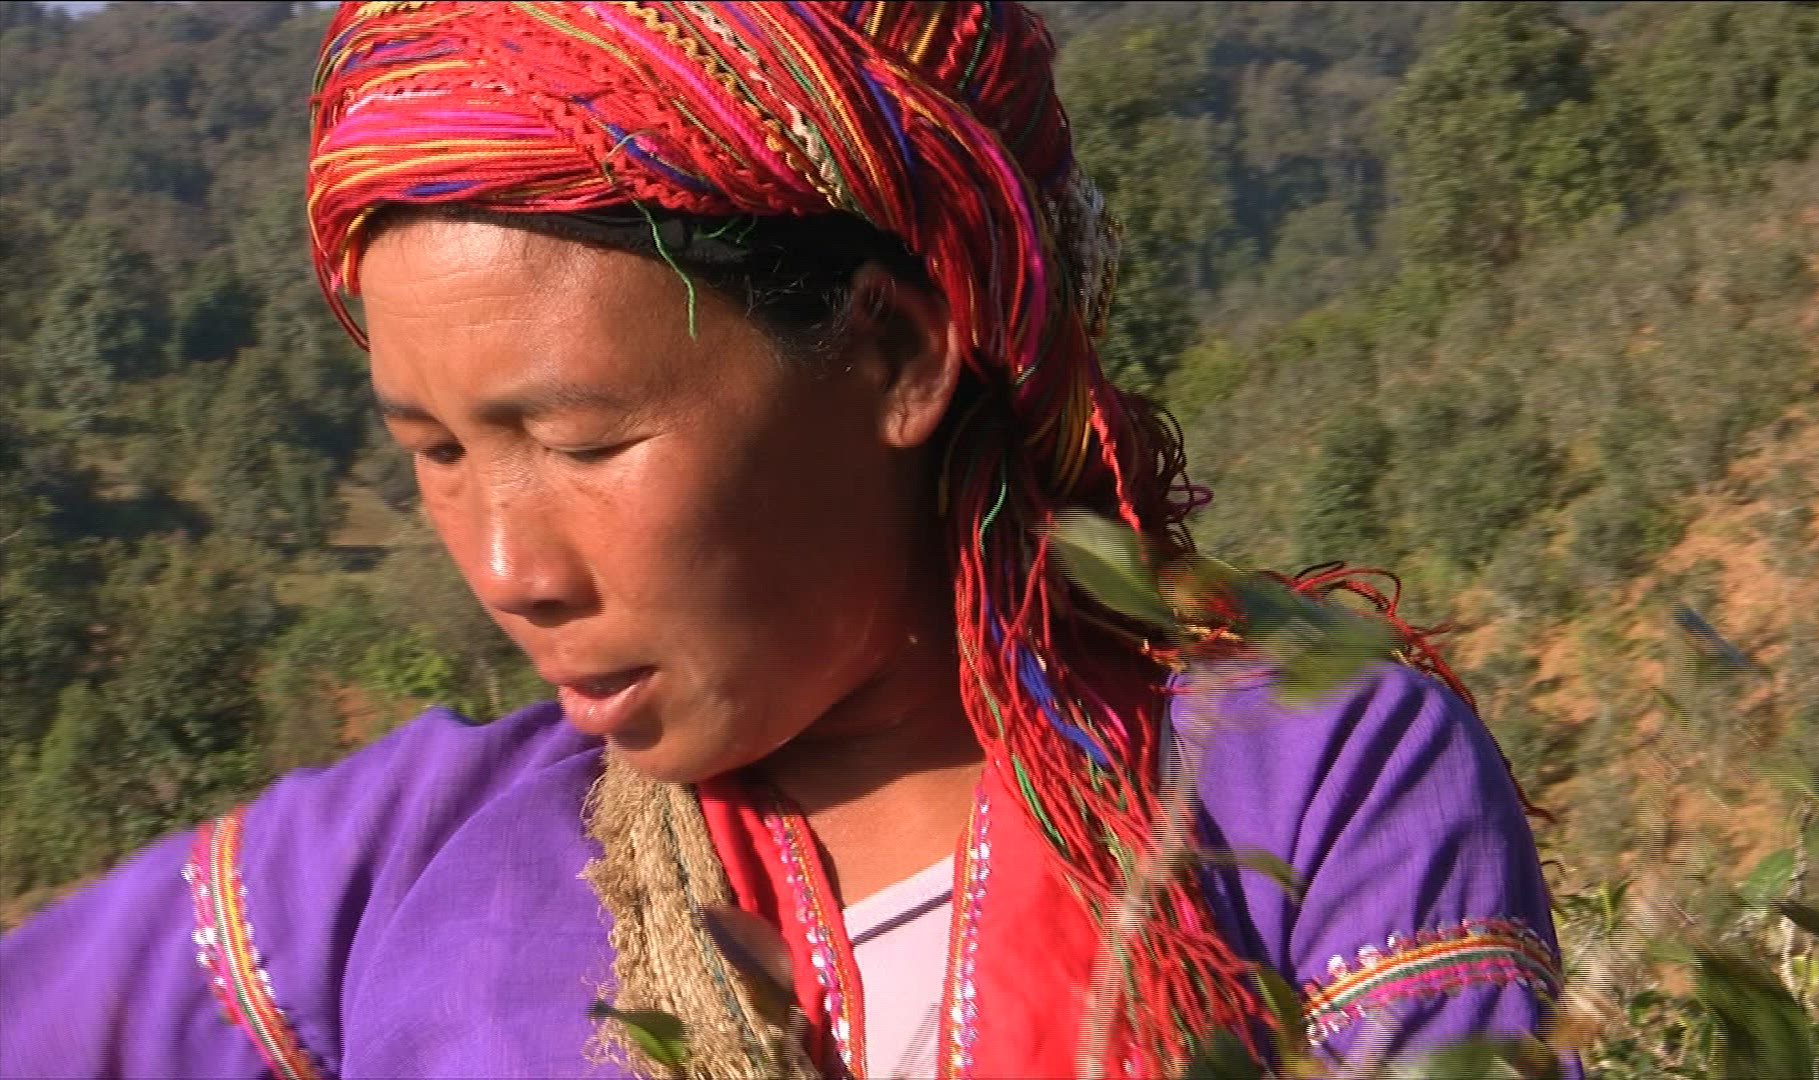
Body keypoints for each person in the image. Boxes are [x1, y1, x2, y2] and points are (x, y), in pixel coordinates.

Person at [0, 4, 1578, 1078]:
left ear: (895, 353)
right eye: (435, 454)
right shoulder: (389, 870)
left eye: (583, 443)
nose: (508, 569)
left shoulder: (1301, 777)